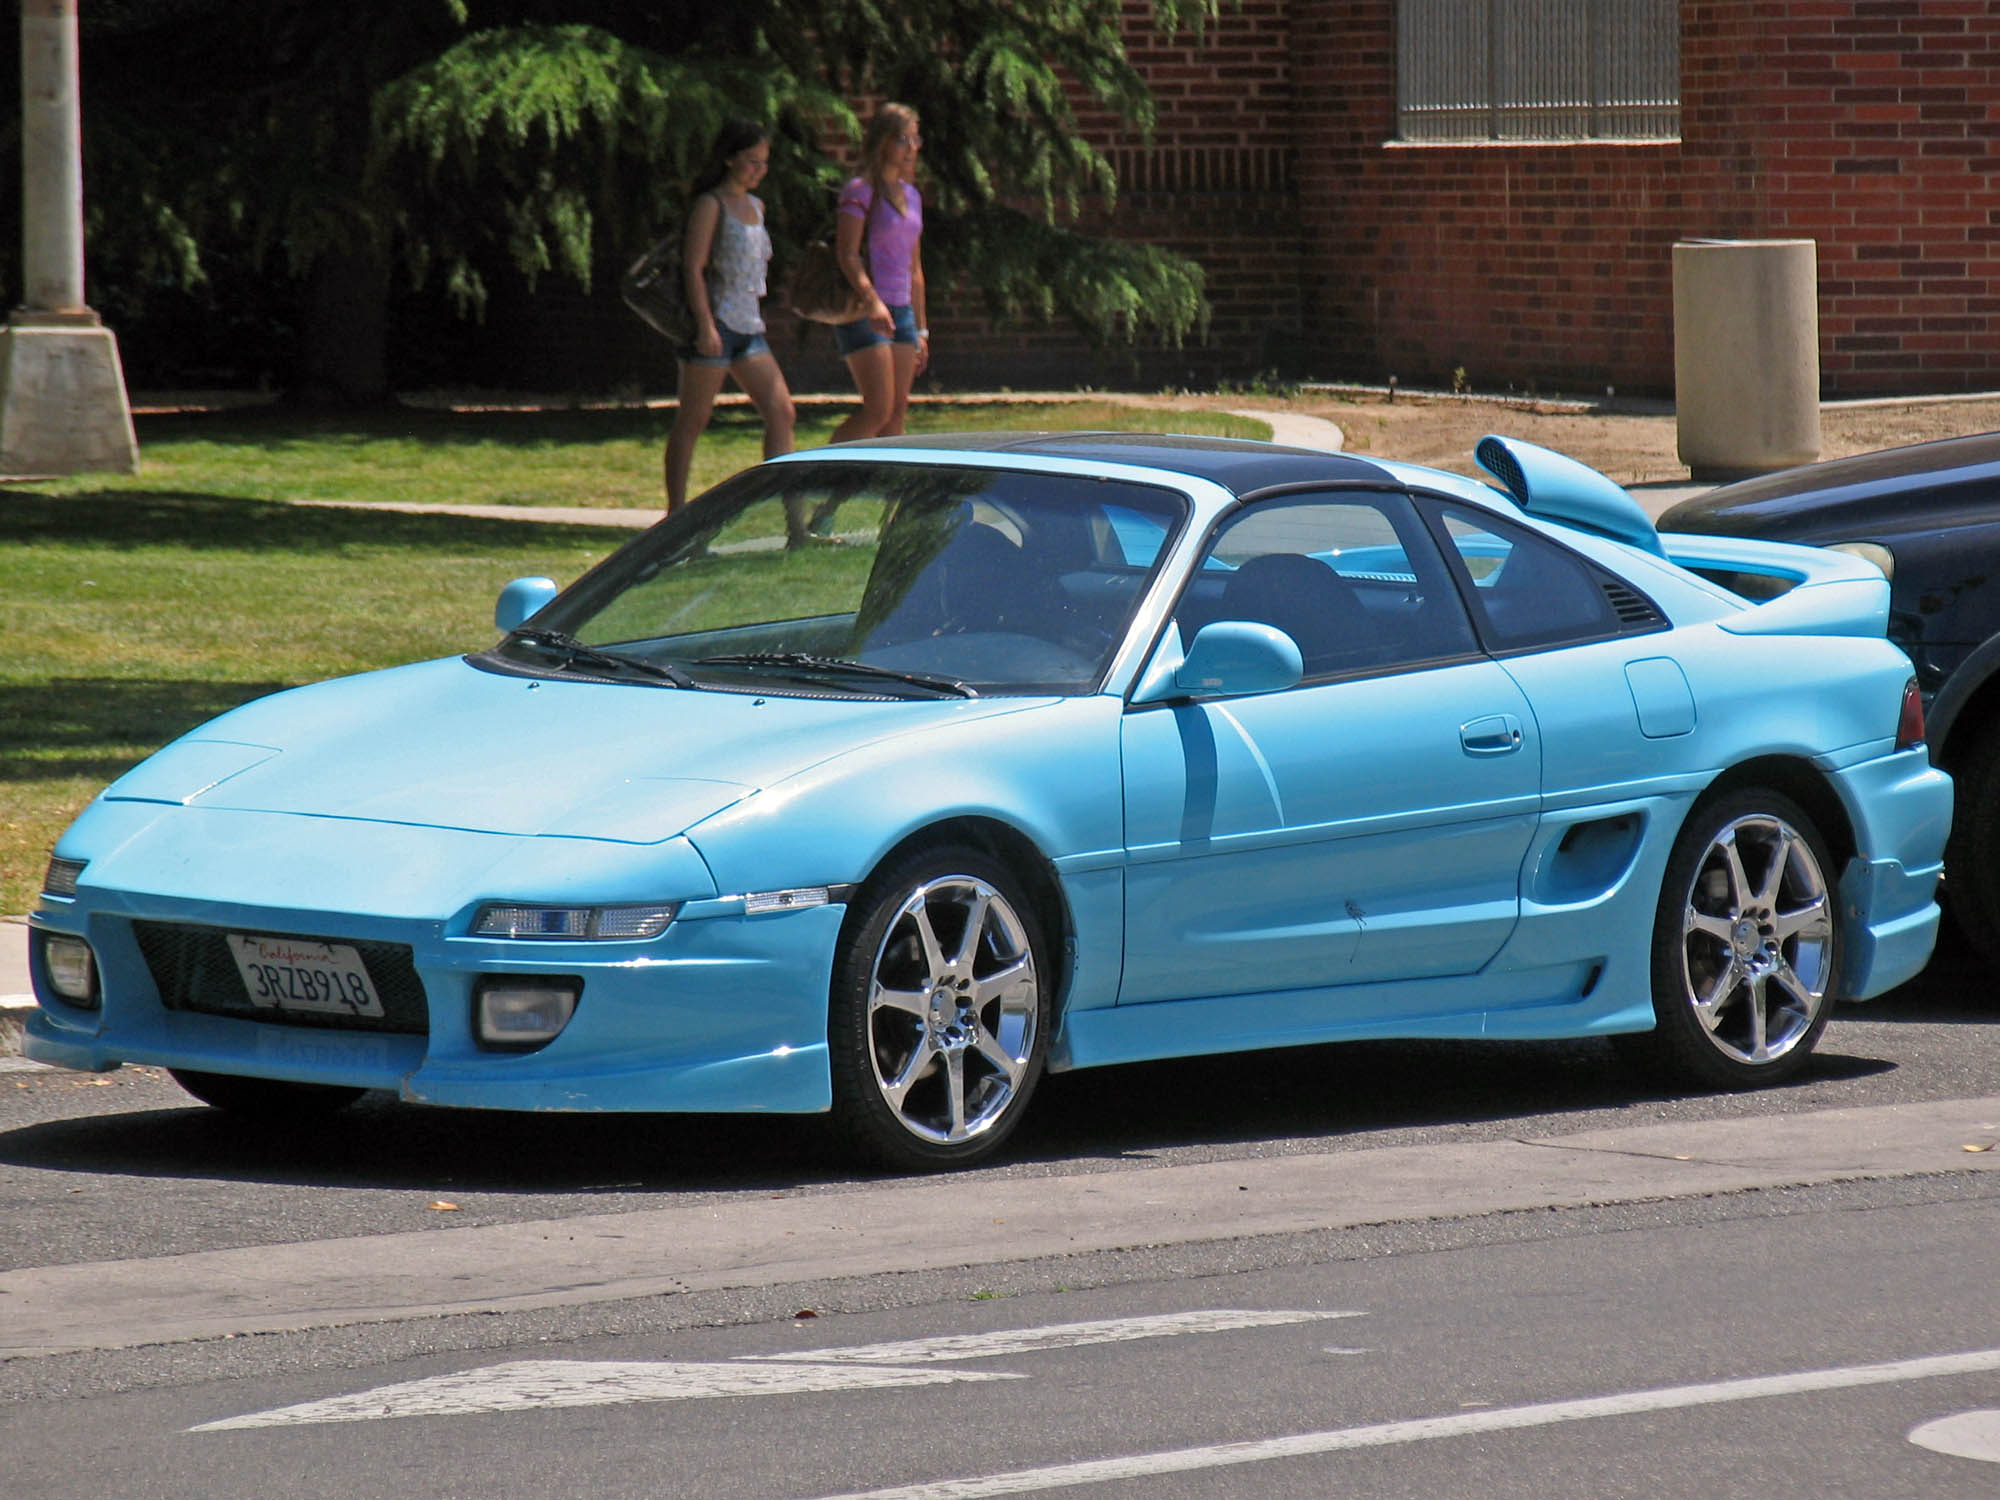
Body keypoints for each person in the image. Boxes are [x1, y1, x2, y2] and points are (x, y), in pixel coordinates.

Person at [662, 119, 797, 513]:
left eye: (764, 163)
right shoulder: (711, 204)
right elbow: (693, 268)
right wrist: (705, 325)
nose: (759, 170)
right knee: (693, 420)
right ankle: (675, 512)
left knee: (782, 411)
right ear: (729, 159)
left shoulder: (757, 206)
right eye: (752, 161)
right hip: (716, 323)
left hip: (749, 325)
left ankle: (790, 516)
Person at [829, 104, 928, 443]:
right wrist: (872, 302)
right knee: (878, 409)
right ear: (882, 142)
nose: (911, 149)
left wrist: (922, 328)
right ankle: (819, 475)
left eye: (915, 139)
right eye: (902, 139)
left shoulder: (911, 195)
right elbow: (847, 254)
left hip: (902, 312)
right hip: (865, 309)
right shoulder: (860, 191)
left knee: (897, 412)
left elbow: (915, 267)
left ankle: (884, 492)